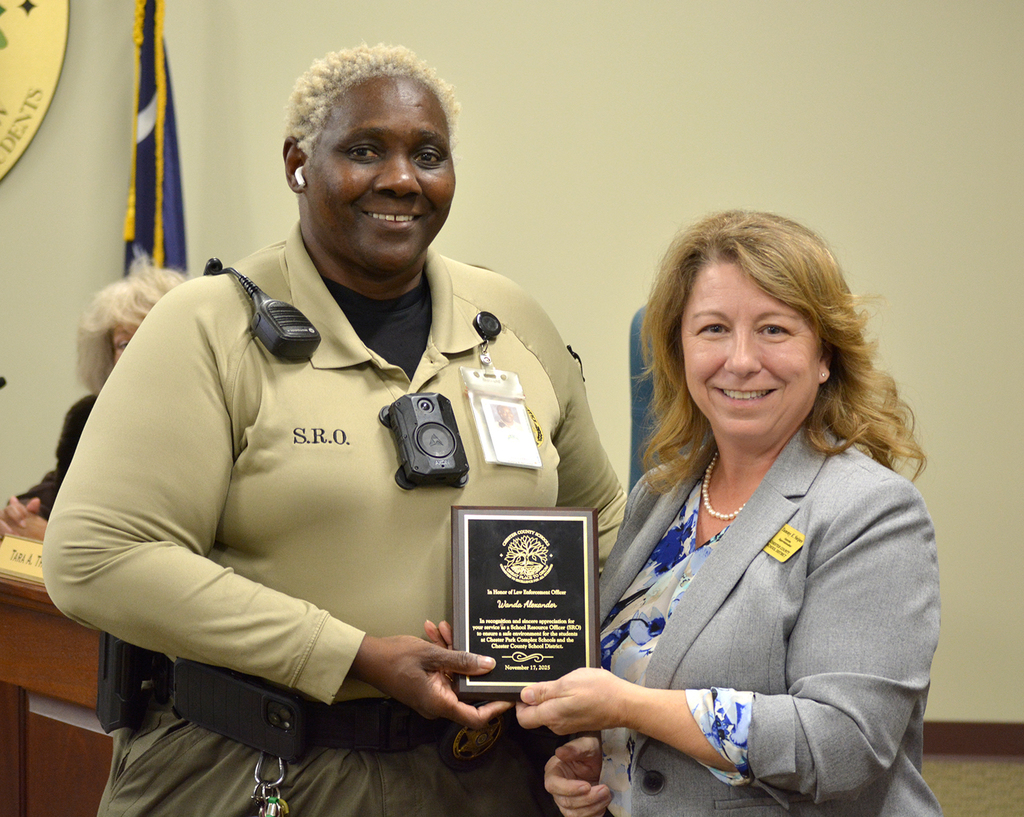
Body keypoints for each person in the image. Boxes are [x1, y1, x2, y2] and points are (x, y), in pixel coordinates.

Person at [44, 43, 625, 816]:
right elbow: (96, 555)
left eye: (428, 155)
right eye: (364, 150)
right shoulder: (206, 326)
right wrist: (351, 654)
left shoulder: (512, 320)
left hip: (483, 774)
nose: (402, 179)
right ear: (298, 164)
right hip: (261, 767)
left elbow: (602, 522)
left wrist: (606, 690)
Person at [516, 210, 941, 816]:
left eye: (774, 329)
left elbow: (841, 745)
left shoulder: (872, 511)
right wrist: (602, 756)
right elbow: (641, 676)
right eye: (713, 329)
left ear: (825, 355)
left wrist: (628, 708)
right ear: (680, 350)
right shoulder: (661, 495)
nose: (740, 360)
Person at [0, 260, 186, 541]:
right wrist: (21, 516)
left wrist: (54, 539)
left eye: (150, 336)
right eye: (124, 343)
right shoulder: (89, 416)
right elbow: (61, 489)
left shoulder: (204, 423)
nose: (135, 353)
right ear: (108, 357)